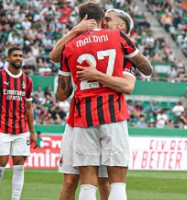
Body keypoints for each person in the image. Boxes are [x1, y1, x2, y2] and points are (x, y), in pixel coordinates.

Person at [51, 7, 152, 200]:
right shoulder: (118, 38)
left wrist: (94, 74)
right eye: (104, 18)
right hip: (111, 115)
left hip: (83, 119)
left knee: (89, 184)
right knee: (116, 183)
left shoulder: (70, 46)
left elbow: (62, 93)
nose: (105, 21)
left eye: (109, 18)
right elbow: (147, 69)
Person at [0, 47, 37, 200]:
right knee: (1, 163)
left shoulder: (27, 80)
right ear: (8, 58)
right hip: (2, 127)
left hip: (21, 129)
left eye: (21, 56)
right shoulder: (0, 76)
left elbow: (29, 107)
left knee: (19, 165)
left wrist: (32, 131)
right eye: (15, 55)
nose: (18, 58)